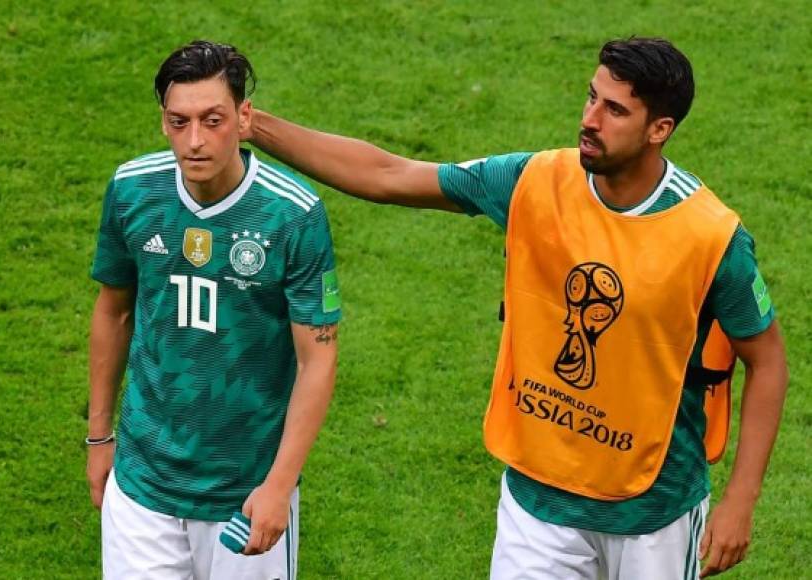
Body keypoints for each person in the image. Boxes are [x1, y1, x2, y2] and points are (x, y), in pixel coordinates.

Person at [245, 37, 788, 579]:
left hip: (653, 512)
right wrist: (252, 126)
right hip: (538, 501)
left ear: (659, 130)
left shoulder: (711, 236)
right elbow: (389, 175)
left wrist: (740, 501)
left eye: (615, 109)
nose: (590, 119)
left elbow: (767, 363)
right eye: (591, 98)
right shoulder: (535, 182)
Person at [87, 40, 341, 579]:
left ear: (244, 116)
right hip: (141, 484)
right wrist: (99, 436)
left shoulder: (292, 215)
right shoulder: (133, 190)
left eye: (213, 119)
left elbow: (317, 359)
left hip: (243, 495)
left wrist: (278, 486)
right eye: (179, 122)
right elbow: (113, 312)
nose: (195, 141)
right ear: (163, 121)